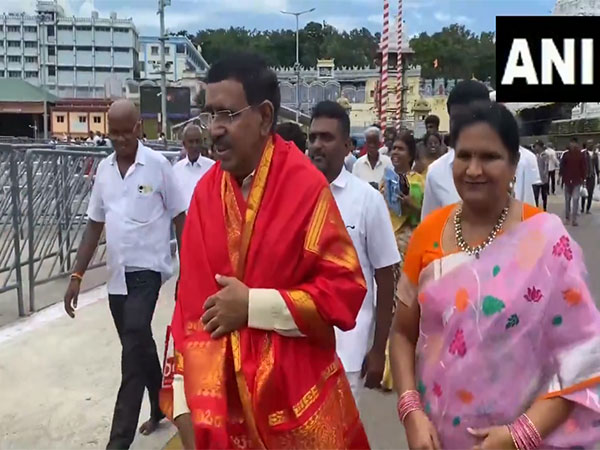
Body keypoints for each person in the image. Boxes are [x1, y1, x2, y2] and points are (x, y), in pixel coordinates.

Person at [161, 54, 370, 449]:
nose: (215, 130)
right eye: (209, 115)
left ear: (264, 117)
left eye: (228, 114)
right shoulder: (206, 194)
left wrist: (253, 306)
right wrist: (186, 399)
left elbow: (344, 289)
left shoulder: (304, 188)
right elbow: (188, 302)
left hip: (297, 404)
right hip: (220, 409)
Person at [389, 101, 600, 449]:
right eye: (464, 155)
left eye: (489, 157)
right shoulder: (428, 234)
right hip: (438, 439)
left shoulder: (547, 239)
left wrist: (520, 436)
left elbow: (582, 358)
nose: (473, 170)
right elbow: (401, 333)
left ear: (514, 164)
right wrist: (411, 411)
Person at [63, 100, 187, 449]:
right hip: (117, 276)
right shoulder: (104, 170)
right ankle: (161, 404)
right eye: (112, 132)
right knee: (138, 346)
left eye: (124, 131)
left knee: (131, 352)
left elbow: (180, 216)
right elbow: (93, 224)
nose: (118, 139)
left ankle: (117, 442)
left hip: (149, 270)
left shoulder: (159, 166)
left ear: (138, 128)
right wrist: (76, 275)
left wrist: (188, 270)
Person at [308, 100, 400, 401]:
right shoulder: (295, 197)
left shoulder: (367, 201)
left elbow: (386, 278)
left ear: (347, 145)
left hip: (348, 351)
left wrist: (378, 349)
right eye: (313, 138)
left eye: (327, 137)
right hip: (299, 350)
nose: (317, 145)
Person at [421, 80, 540, 220]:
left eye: (489, 157)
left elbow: (532, 222)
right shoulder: (436, 172)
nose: (473, 171)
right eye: (458, 120)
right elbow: (430, 230)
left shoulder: (521, 162)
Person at [380, 131, 425, 391]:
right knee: (388, 304)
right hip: (387, 245)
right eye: (393, 149)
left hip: (408, 248)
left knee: (404, 305)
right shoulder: (386, 180)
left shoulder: (419, 182)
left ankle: (398, 369)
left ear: (410, 154)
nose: (395, 153)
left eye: (400, 149)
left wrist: (411, 205)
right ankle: (389, 367)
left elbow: (424, 215)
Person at [173, 124, 216, 208]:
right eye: (191, 142)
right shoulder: (176, 170)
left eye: (197, 141)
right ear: (184, 144)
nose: (195, 145)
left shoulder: (212, 168)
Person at [560, 137, 587, 226]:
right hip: (567, 180)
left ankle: (574, 219)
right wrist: (561, 178)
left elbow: (583, 167)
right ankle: (567, 218)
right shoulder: (566, 155)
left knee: (575, 200)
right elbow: (562, 167)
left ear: (577, 144)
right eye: (571, 143)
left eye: (574, 143)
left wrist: (583, 179)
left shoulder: (580, 155)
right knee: (567, 200)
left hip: (577, 180)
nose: (572, 145)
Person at [581, 138, 598, 214]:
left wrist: (598, 175)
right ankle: (582, 208)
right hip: (584, 176)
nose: (590, 145)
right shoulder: (583, 154)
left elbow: (597, 166)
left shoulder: (595, 154)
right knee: (584, 192)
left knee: (590, 193)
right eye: (589, 144)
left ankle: (588, 209)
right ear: (586, 145)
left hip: (592, 176)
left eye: (591, 144)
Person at [533, 140, 550, 211]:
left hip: (543, 179)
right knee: (535, 196)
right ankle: (535, 209)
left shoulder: (545, 155)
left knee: (544, 195)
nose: (535, 147)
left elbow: (546, 166)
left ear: (540, 147)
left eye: (536, 146)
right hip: (536, 179)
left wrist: (545, 175)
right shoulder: (534, 155)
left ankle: (544, 208)